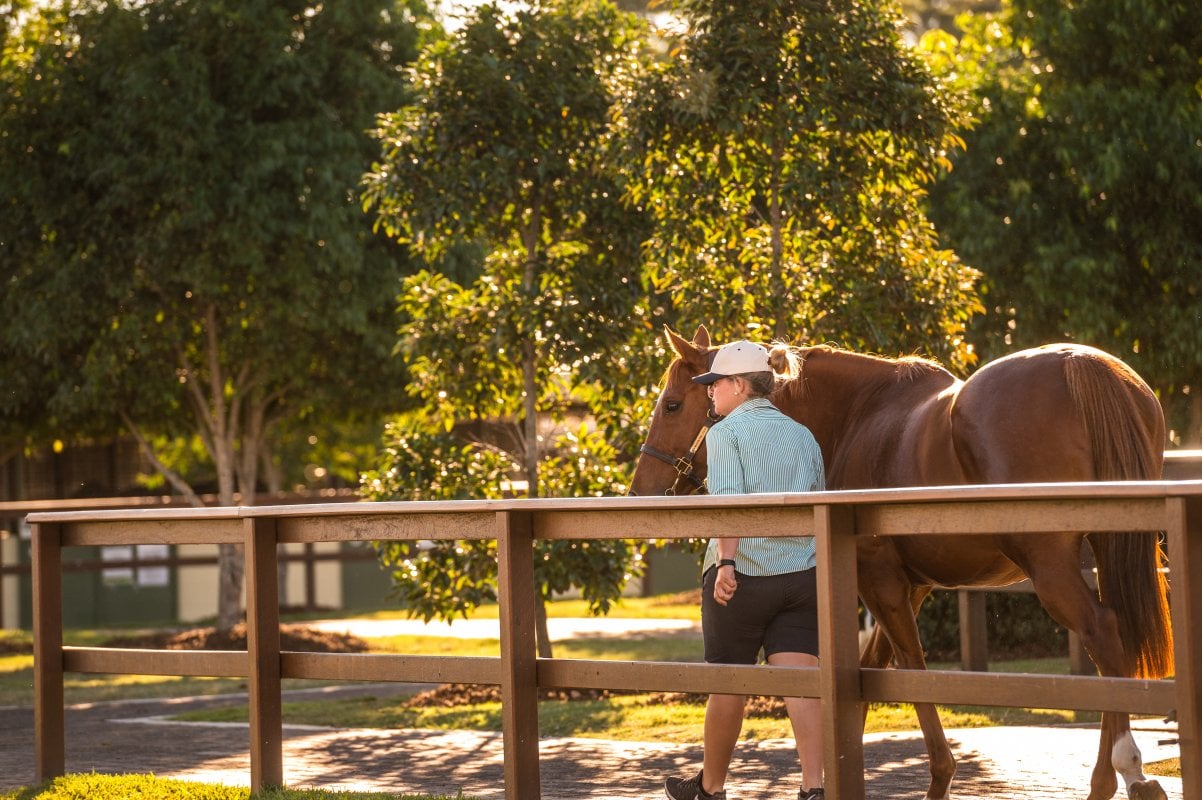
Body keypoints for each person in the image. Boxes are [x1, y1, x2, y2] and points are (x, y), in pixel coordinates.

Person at [664, 339, 826, 800]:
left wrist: (727, 563)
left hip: (744, 577)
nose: (710, 392)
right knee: (801, 684)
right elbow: (820, 503)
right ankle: (814, 788)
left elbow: (729, 503)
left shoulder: (725, 433)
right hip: (802, 576)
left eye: (715, 384)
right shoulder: (803, 434)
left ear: (738, 385)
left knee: (728, 683)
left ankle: (711, 788)